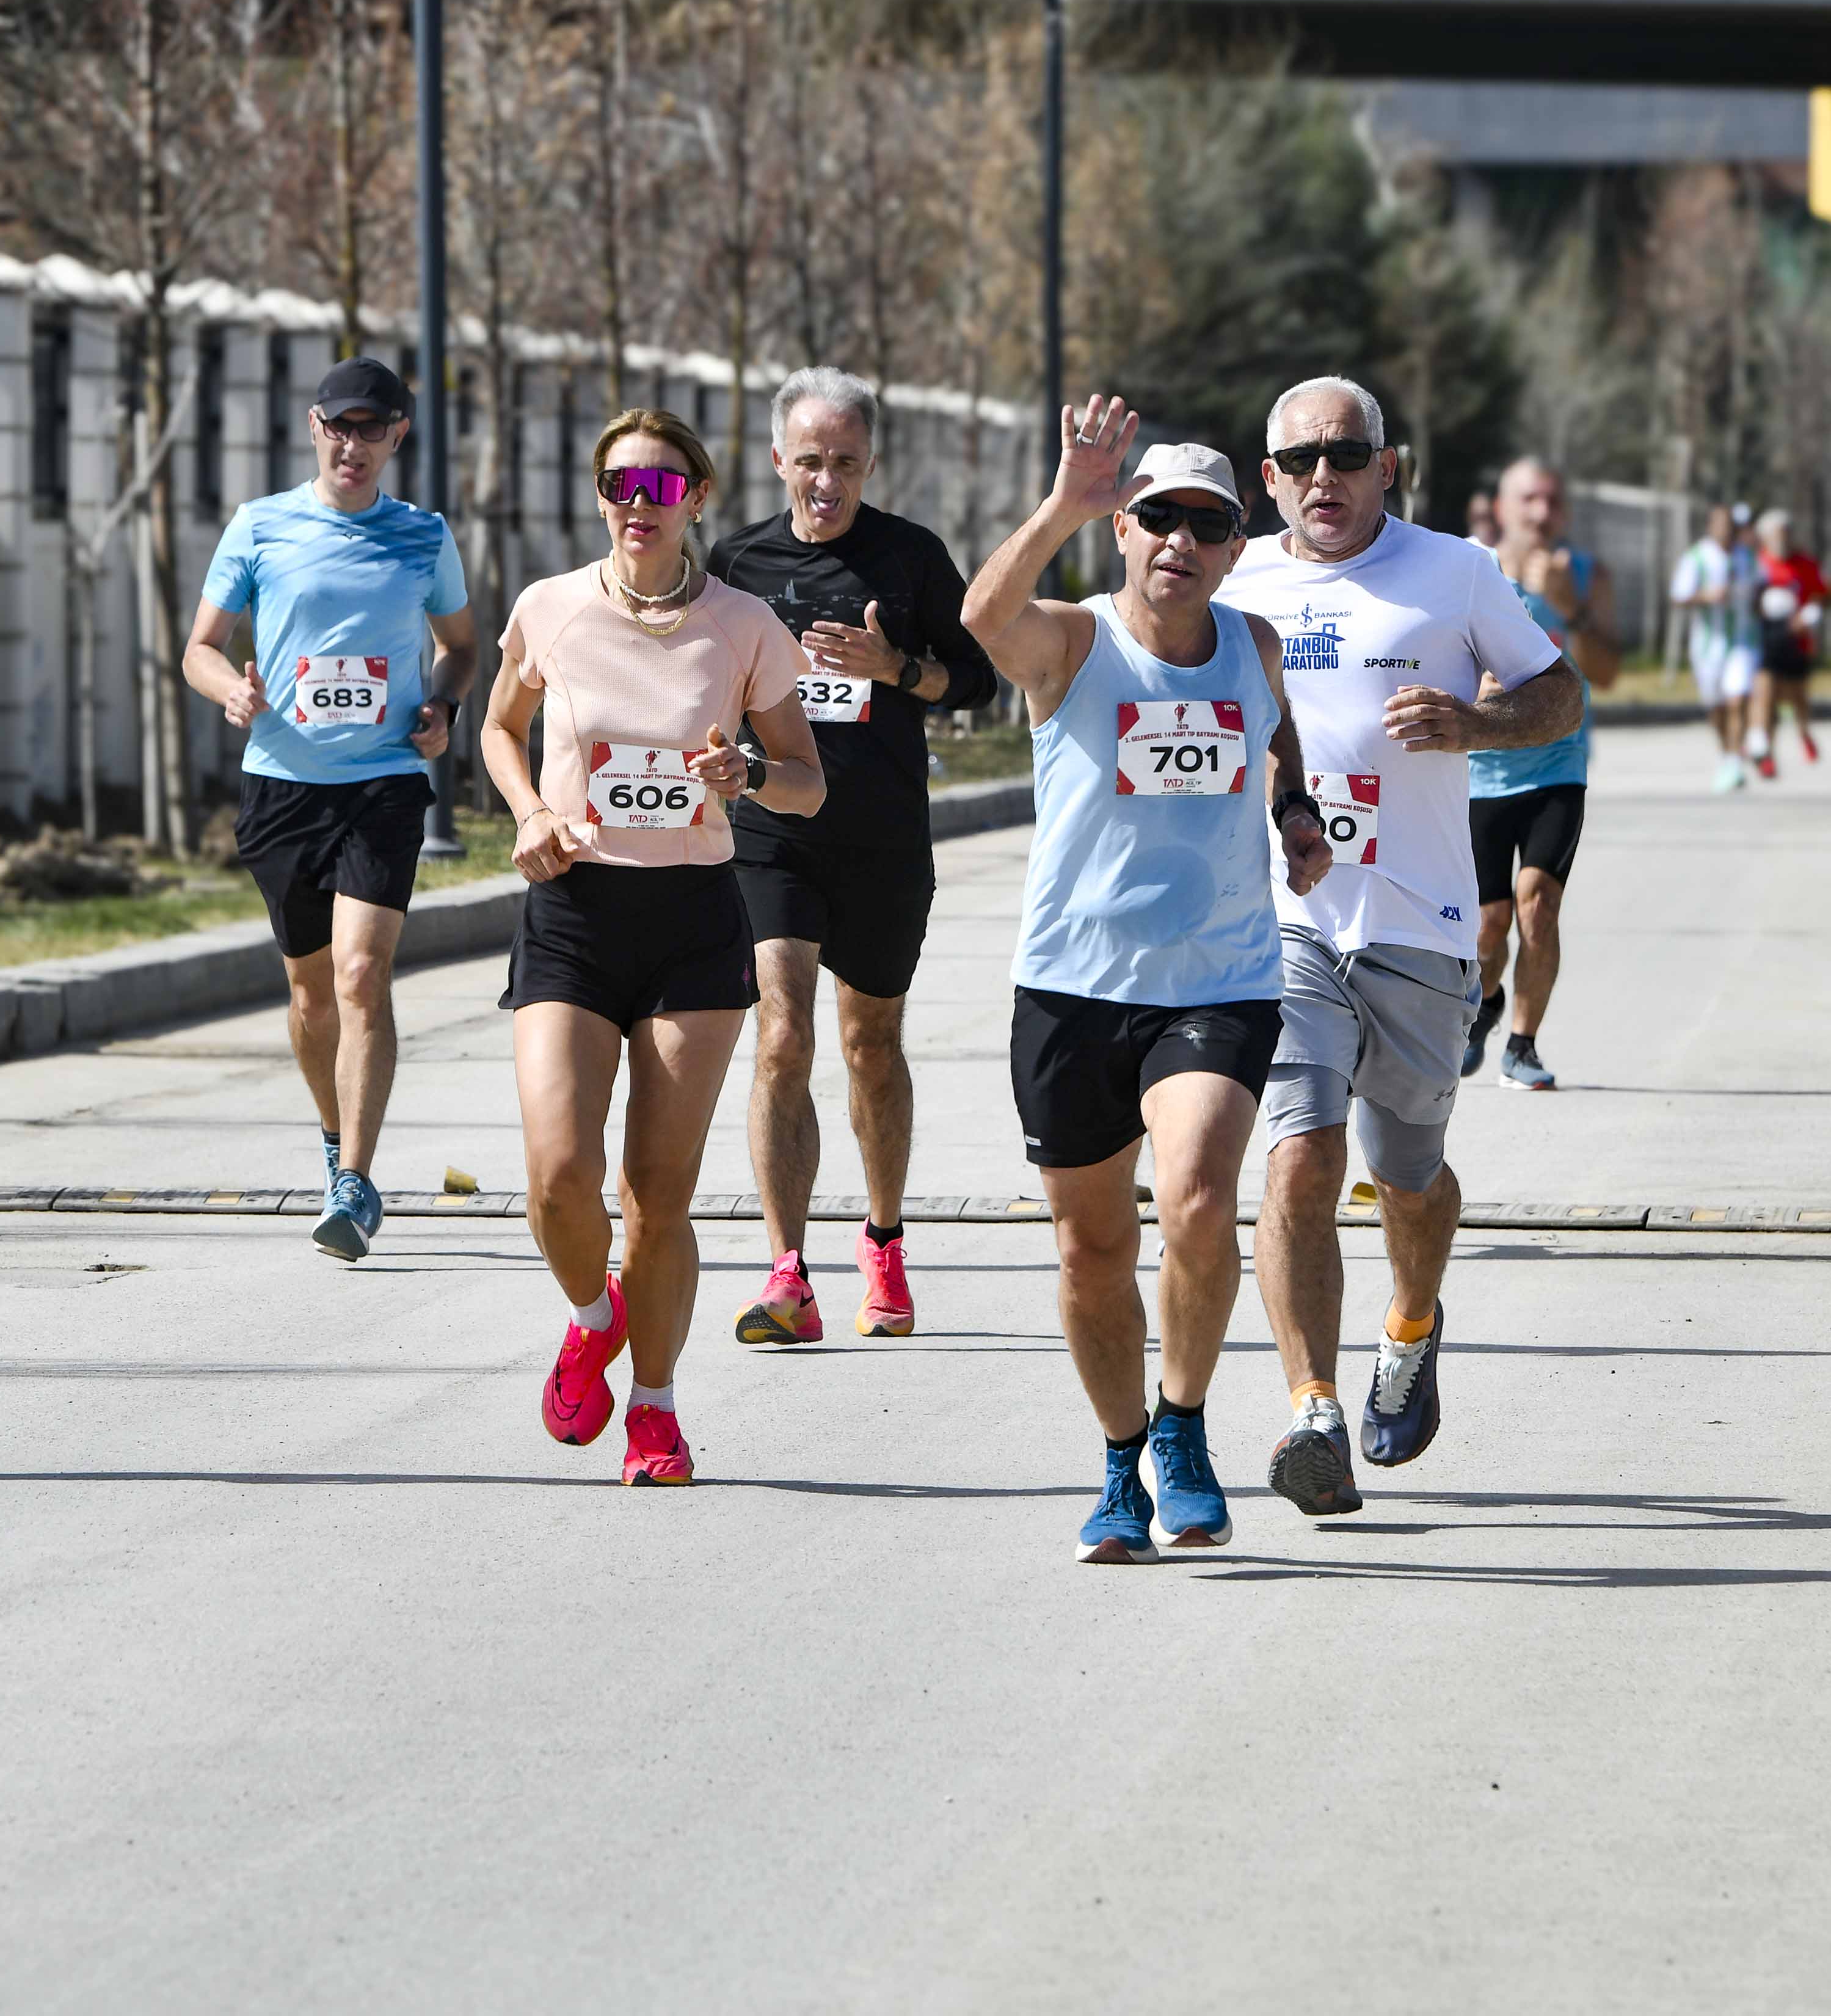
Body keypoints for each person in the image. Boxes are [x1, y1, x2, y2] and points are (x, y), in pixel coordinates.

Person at [963, 400, 1330, 1563]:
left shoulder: (1252, 644)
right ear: (1123, 530)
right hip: (1071, 982)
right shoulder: (1071, 641)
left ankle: (1181, 1424)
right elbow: (980, 615)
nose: (1178, 539)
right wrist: (1062, 503)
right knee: (1087, 1251)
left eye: (1204, 524)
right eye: (1155, 517)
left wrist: (1294, 807)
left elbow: (1276, 738)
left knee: (1194, 1200)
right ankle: (1121, 1458)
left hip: (1217, 977)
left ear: (1232, 545)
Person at [1218, 376, 1581, 1519]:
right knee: (1299, 1157)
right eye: (1298, 459)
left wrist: (1479, 724)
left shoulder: (1455, 572)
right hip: (1284, 919)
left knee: (1407, 1175)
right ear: (1266, 477)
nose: (1322, 475)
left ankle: (1411, 1325)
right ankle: (1311, 1409)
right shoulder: (1231, 580)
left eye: (1345, 452)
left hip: (1421, 917)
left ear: (1387, 463)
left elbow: (1560, 694)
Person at [481, 407, 823, 1487]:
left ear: (698, 499)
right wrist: (530, 809)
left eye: (662, 487)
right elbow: (497, 725)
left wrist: (750, 778)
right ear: (600, 498)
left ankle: (657, 1409)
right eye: (621, 484)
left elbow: (805, 779)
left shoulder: (743, 622)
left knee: (656, 1192)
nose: (640, 503)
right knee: (556, 1175)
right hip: (573, 913)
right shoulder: (549, 609)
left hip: (690, 921)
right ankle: (594, 1314)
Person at [709, 367, 998, 1345]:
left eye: (844, 462)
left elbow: (977, 681)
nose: (825, 481)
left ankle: (882, 1238)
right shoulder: (736, 559)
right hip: (771, 833)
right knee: (781, 1036)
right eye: (808, 461)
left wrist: (898, 670)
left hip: (879, 838)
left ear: (870, 462)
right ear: (778, 460)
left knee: (870, 1044)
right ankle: (786, 1270)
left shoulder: (910, 558)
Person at [184, 357, 479, 1261]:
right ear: (314, 428)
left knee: (360, 974)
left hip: (384, 784)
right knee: (311, 992)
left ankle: (354, 1181)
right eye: (338, 427)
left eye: (372, 427)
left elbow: (461, 645)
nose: (353, 444)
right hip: (282, 785)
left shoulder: (423, 537)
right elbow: (200, 646)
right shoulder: (260, 525)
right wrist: (228, 691)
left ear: (398, 434)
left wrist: (441, 707)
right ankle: (331, 1130)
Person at [1463, 456, 1618, 1090]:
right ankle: (1486, 1001)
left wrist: (1570, 610)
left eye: (1552, 501)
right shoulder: (1469, 569)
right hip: (1478, 772)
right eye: (1528, 500)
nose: (1541, 513)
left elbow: (1606, 674)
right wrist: (1475, 687)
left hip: (1557, 762)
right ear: (1502, 509)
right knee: (1487, 924)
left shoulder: (1586, 576)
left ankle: (1521, 1047)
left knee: (1538, 906)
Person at [1671, 503, 1760, 792]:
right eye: (1720, 524)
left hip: (1742, 642)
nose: (1726, 530)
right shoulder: (1697, 557)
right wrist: (1706, 596)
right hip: (1708, 645)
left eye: (1730, 525)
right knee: (1717, 707)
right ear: (1711, 527)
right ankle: (1726, 754)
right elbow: (1679, 596)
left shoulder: (1747, 556)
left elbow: (1760, 589)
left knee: (1739, 699)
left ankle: (1735, 760)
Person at [1749, 509, 1827, 777]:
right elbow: (1750, 601)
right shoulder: (1758, 565)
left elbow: (1819, 595)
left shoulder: (1804, 564)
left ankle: (1804, 732)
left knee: (1798, 697)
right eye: (1777, 534)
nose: (1783, 539)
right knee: (1766, 695)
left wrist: (1808, 618)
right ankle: (1765, 751)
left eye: (1787, 533)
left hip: (1798, 638)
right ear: (1766, 537)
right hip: (1769, 639)